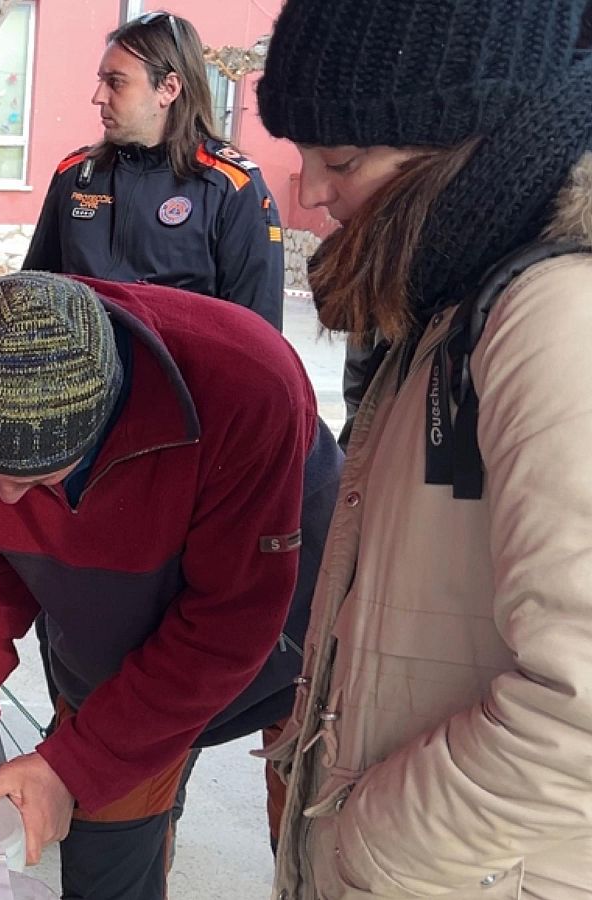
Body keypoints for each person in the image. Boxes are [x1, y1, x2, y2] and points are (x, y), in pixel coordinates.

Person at [257, 0, 592, 897]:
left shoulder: (555, 317)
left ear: (465, 140)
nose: (311, 192)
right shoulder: (450, 303)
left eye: (344, 157)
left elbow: (584, 710)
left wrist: (366, 846)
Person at [0, 271, 340, 900]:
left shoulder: (246, 382)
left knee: (319, 854)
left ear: (108, 421)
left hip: (292, 637)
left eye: (41, 480)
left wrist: (73, 763)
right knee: (107, 864)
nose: (8, 500)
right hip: (111, 654)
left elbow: (229, 623)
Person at [22, 11, 286, 331]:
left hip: (178, 379)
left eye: (115, 82)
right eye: (101, 80)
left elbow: (257, 340)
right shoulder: (76, 174)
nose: (98, 97)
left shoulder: (233, 187)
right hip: (81, 377)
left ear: (168, 89)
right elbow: (32, 296)